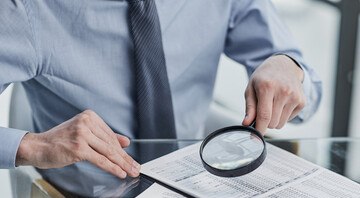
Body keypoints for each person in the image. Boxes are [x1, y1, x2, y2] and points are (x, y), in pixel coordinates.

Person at [0, 0, 322, 178]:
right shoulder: (25, 10)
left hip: (201, 191)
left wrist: (287, 66)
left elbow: (310, 92)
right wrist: (32, 147)